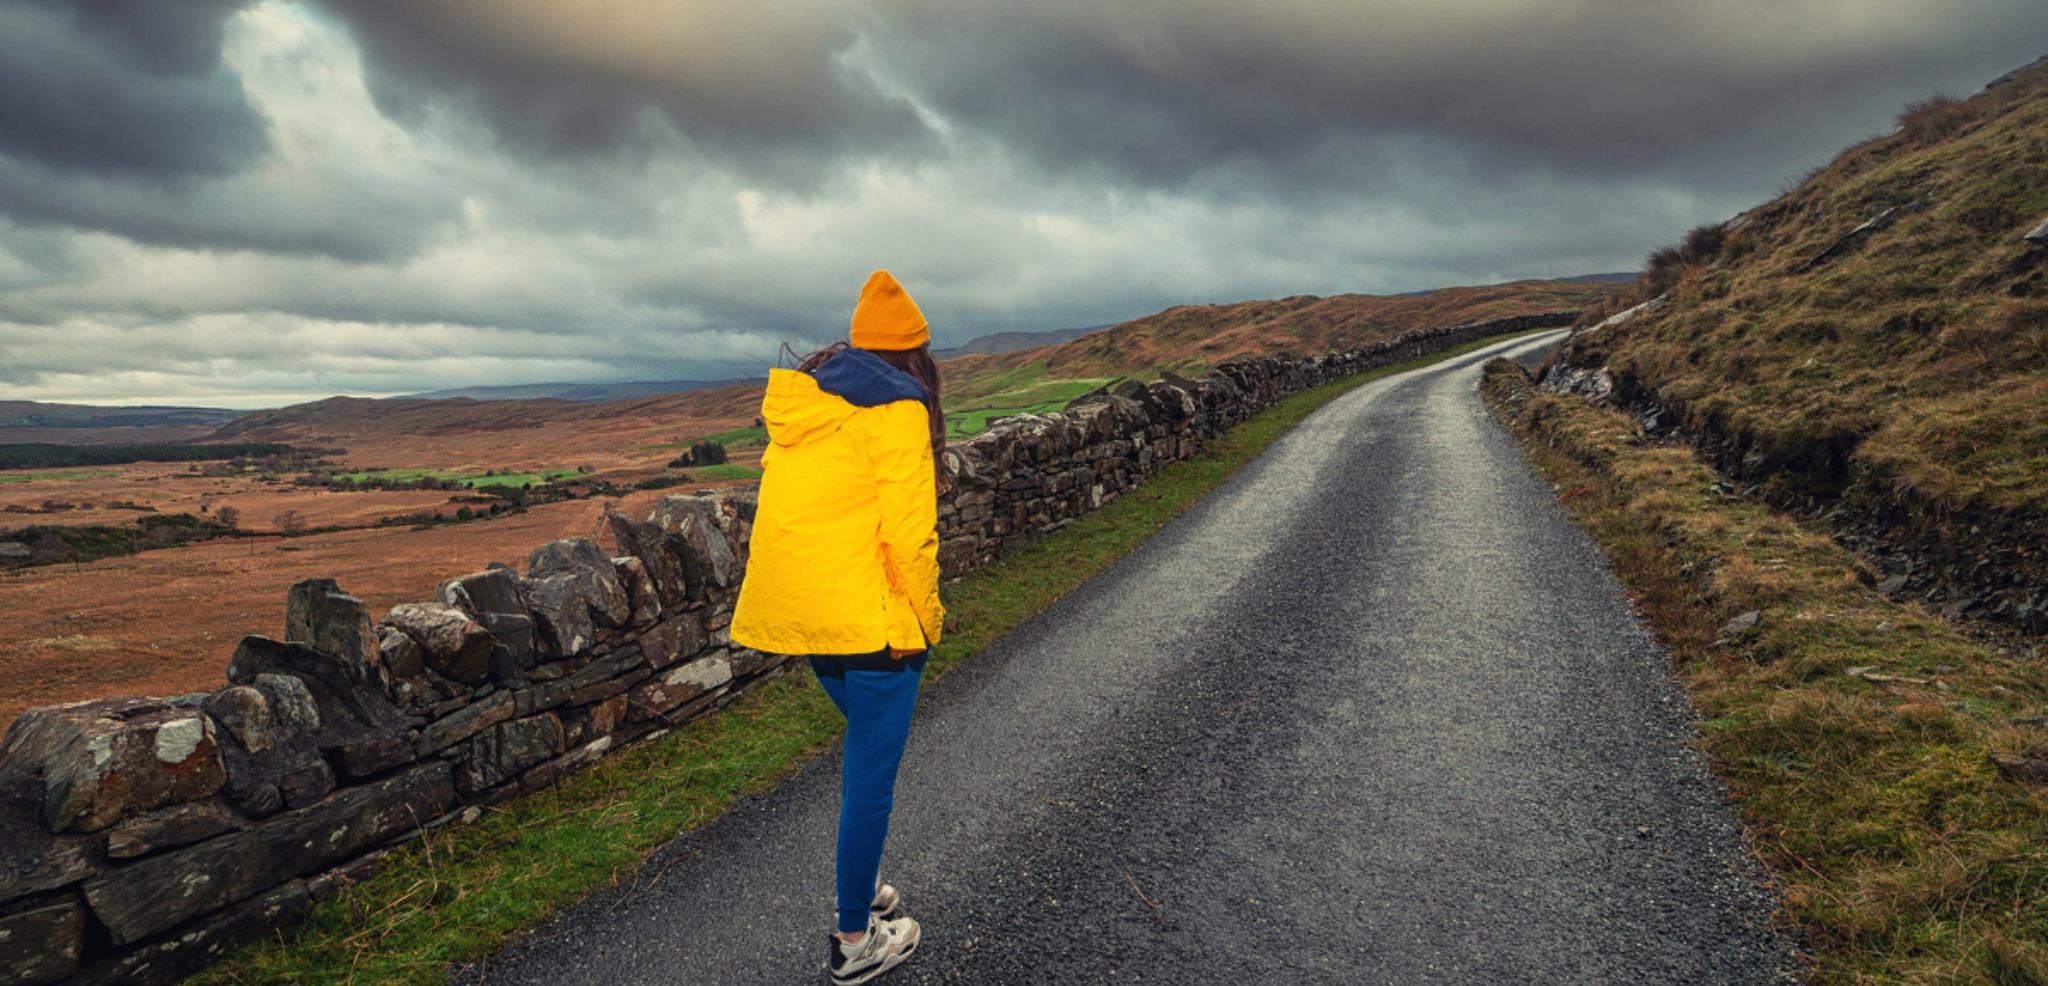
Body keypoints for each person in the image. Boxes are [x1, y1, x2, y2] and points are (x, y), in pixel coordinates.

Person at [731, 269, 947, 985]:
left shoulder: (811, 400)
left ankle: (866, 881)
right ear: (916, 354)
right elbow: (910, 538)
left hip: (808, 617)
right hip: (873, 622)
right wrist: (928, 619)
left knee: (864, 758)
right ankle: (856, 940)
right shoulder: (900, 410)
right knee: (870, 780)